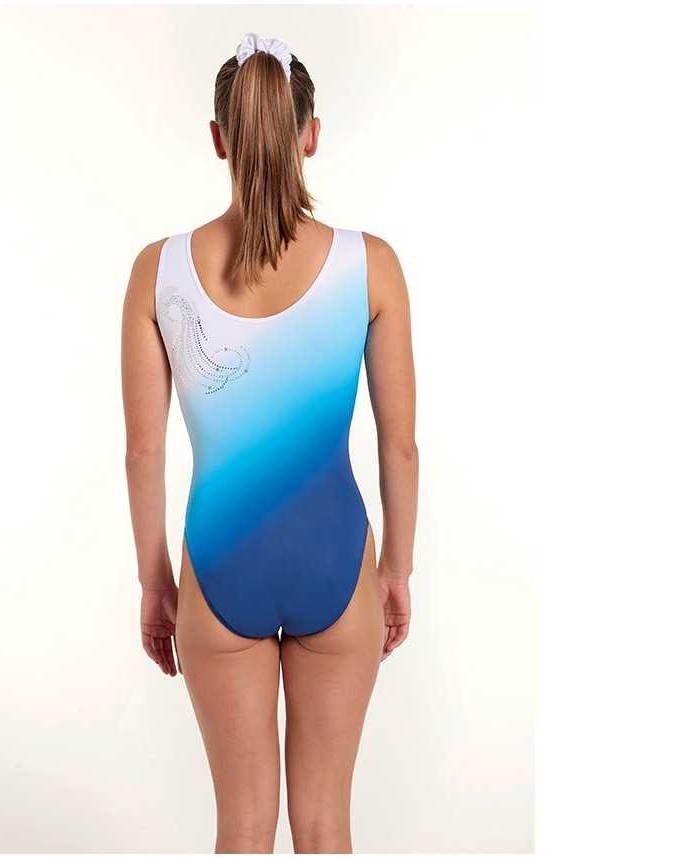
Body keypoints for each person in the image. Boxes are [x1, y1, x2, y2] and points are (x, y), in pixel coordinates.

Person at [121, 32, 418, 854]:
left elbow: (143, 452)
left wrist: (156, 583)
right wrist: (396, 570)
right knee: (325, 829)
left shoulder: (158, 272)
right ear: (309, 133)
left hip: (220, 565)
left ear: (221, 138)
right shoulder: (372, 265)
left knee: (243, 830)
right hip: (337, 562)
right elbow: (400, 447)